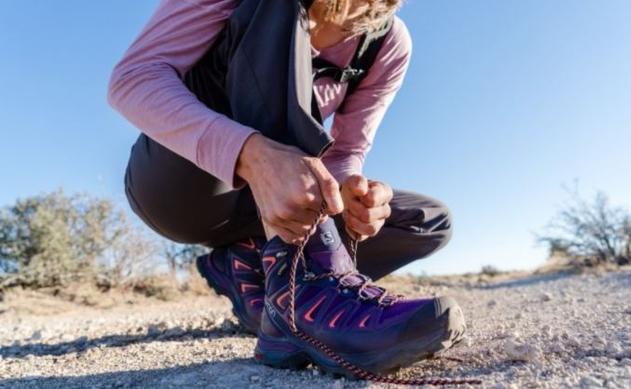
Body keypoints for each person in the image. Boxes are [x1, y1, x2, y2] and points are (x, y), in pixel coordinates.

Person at [108, 0, 465, 378]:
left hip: (274, 203)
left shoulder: (388, 41)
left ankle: (263, 279)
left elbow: (346, 151)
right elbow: (133, 79)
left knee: (428, 220)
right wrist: (251, 154)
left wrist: (346, 190)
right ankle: (313, 286)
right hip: (187, 189)